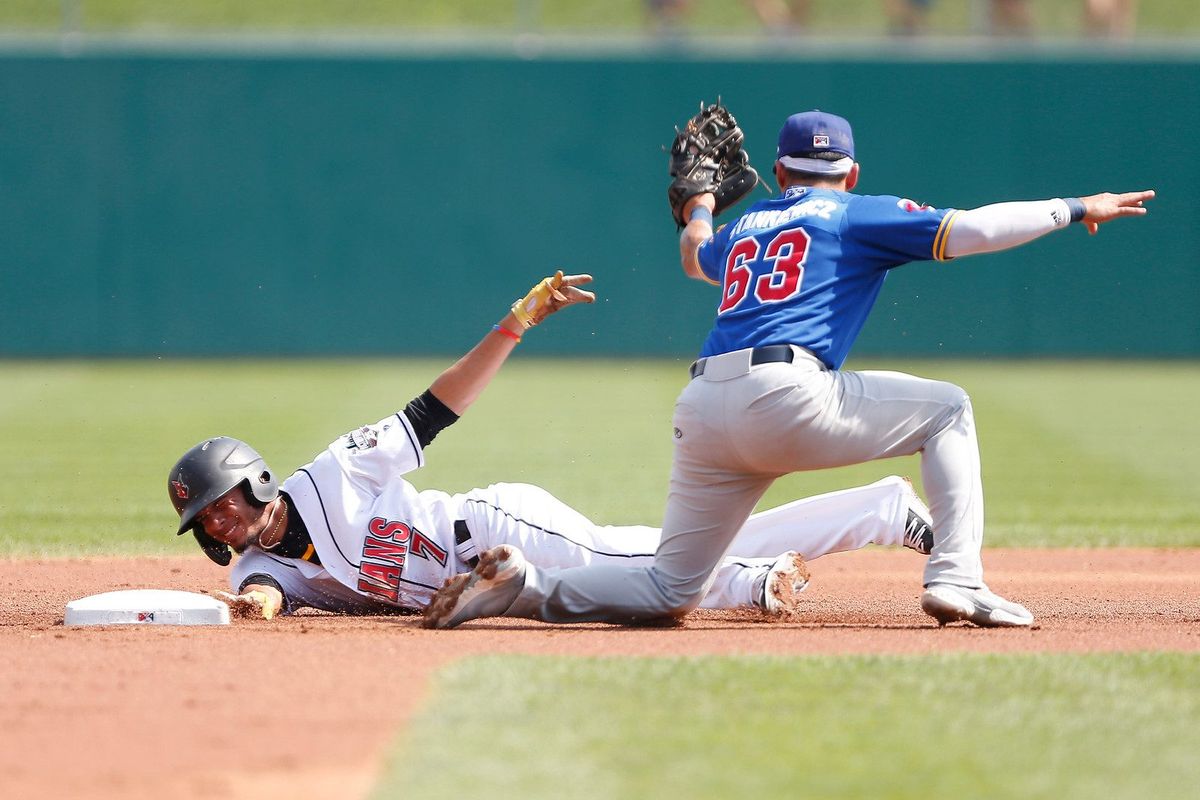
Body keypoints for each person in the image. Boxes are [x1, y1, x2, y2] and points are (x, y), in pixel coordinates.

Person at [424, 110, 1153, 630]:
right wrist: (1074, 205)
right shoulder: (858, 213)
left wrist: (700, 204)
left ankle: (526, 587)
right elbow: (977, 230)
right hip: (789, 396)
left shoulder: (746, 225)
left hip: (706, 409)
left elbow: (692, 255)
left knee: (667, 590)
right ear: (852, 171)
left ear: (776, 173)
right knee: (949, 409)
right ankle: (956, 579)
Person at [167, 271, 935, 620]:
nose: (217, 522)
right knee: (667, 552)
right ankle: (875, 512)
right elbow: (266, 595)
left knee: (654, 575)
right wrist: (241, 605)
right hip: (492, 583)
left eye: (219, 503)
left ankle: (755, 580)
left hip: (495, 531)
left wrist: (513, 325)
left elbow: (433, 410)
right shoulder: (264, 565)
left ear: (254, 482)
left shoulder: (335, 470)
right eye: (204, 520)